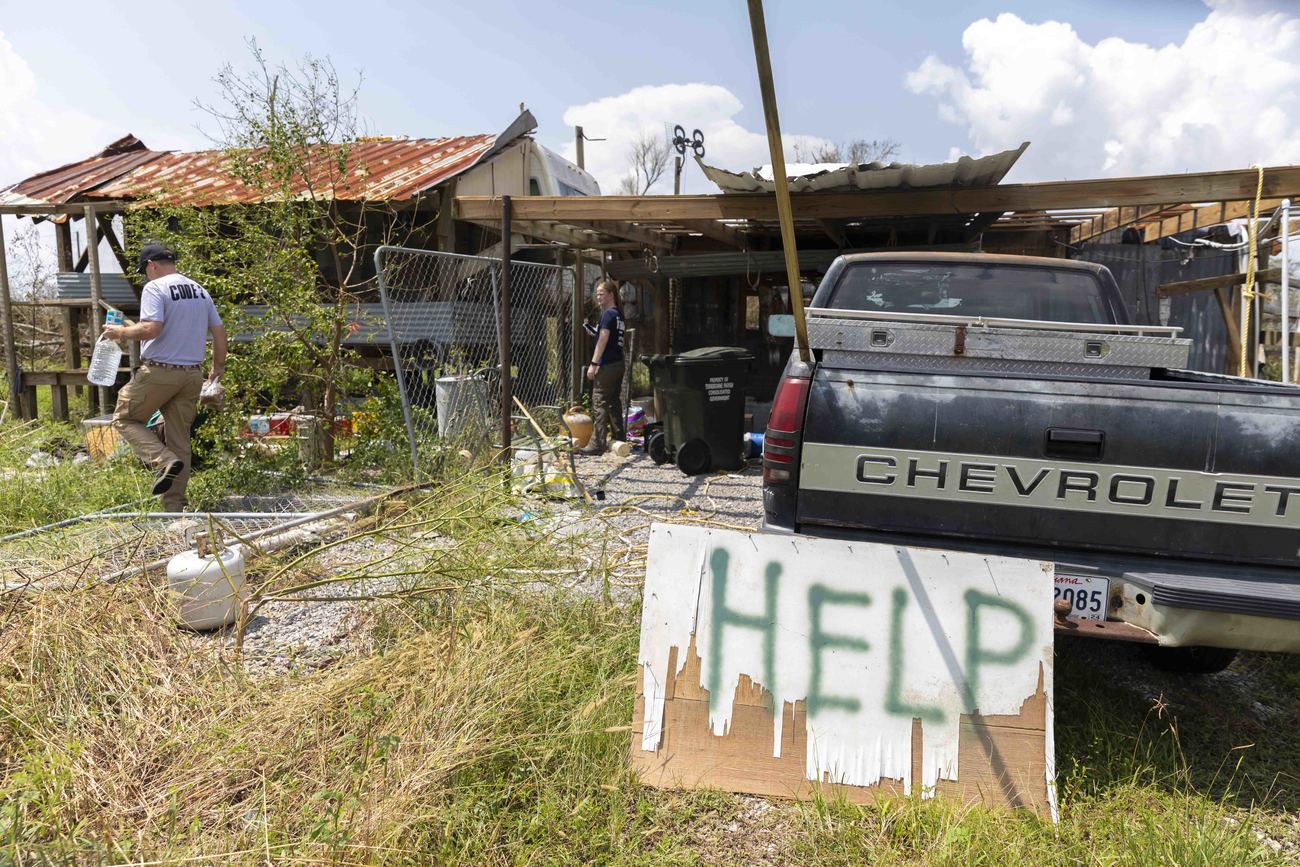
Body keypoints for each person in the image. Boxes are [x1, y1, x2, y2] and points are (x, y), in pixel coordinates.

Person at [104, 242, 226, 511]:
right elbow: (219, 332)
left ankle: (163, 461)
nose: (146, 275)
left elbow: (152, 328)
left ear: (152, 265)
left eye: (144, 270)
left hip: (160, 372)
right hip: (192, 375)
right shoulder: (200, 290)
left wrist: (121, 332)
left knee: (124, 418)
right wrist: (217, 368)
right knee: (179, 439)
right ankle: (174, 507)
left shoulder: (155, 287)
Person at [580, 278, 625, 455]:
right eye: (597, 294)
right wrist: (594, 331)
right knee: (613, 401)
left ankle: (596, 444)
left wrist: (593, 364)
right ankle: (619, 439)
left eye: (601, 294)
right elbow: (607, 336)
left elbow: (604, 339)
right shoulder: (618, 315)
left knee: (599, 401)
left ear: (610, 295)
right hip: (618, 363)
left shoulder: (607, 314)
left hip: (607, 365)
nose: (598, 298)